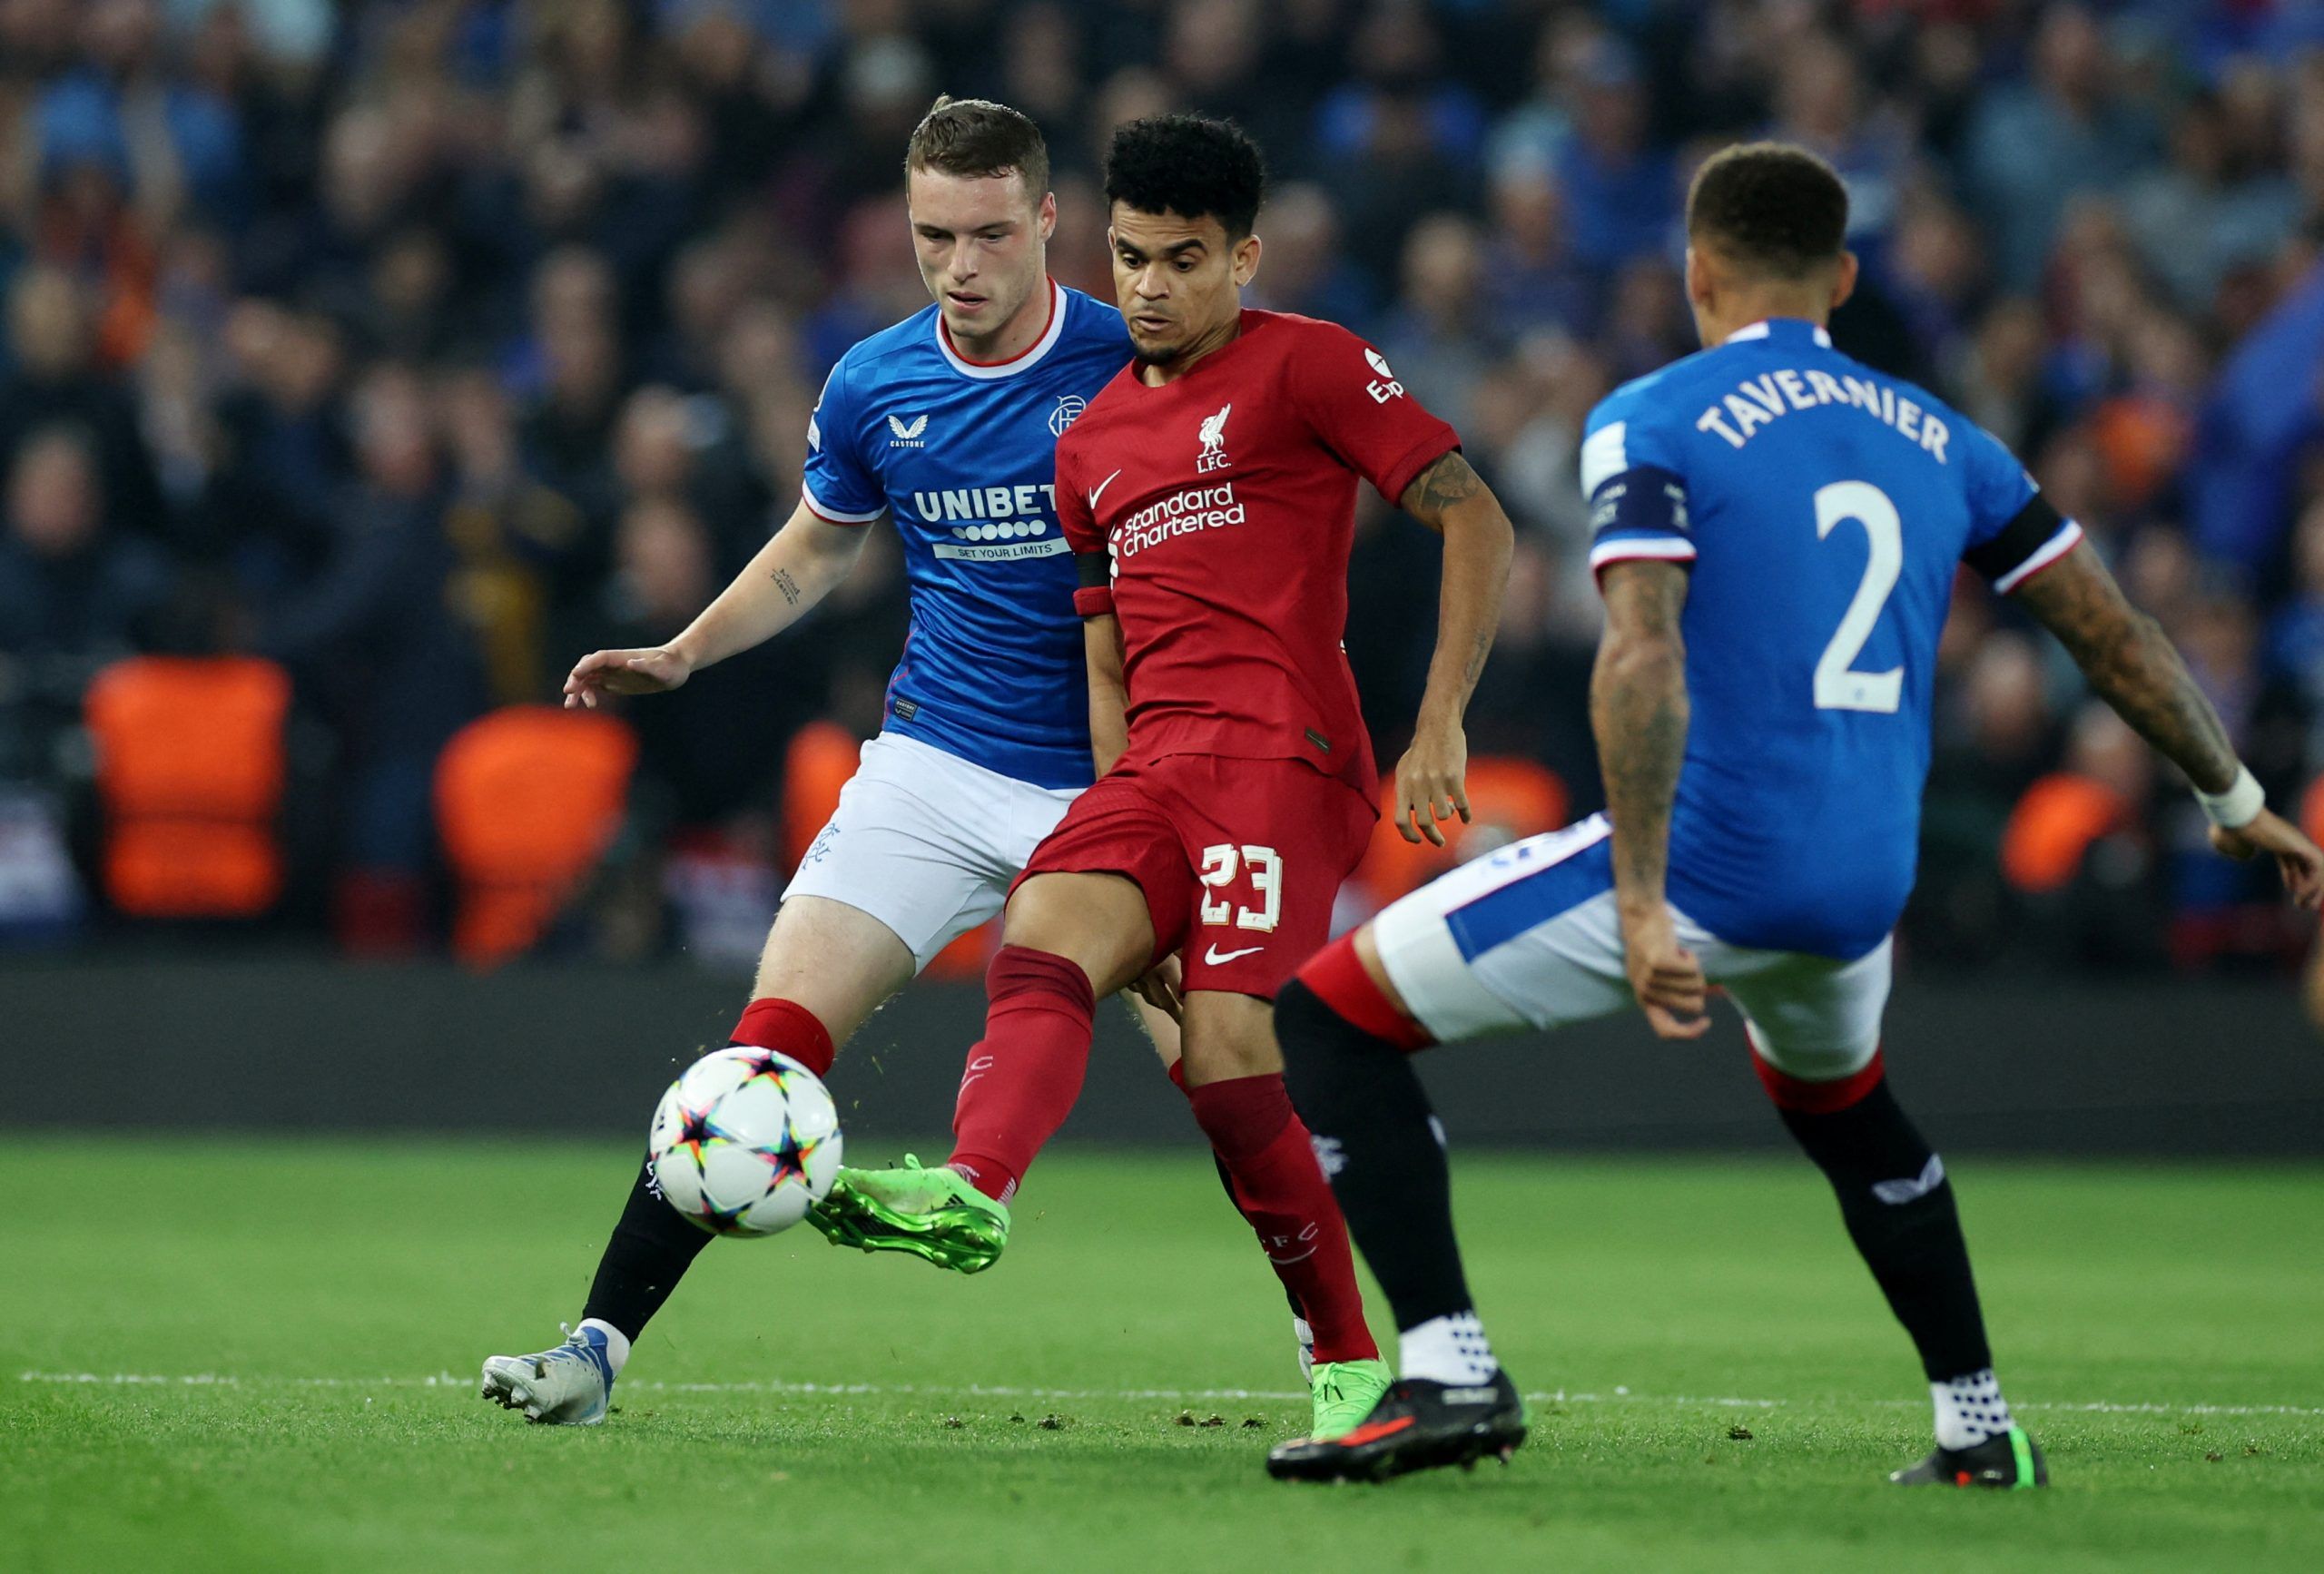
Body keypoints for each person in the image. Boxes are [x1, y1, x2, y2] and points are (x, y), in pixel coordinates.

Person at [1263, 142, 2324, 1486]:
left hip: (1713, 868)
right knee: (1850, 1109)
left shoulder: (1651, 416)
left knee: (1332, 1016)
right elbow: (2114, 635)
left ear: (1695, 272)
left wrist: (1642, 900)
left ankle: (1449, 1369)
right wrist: (2234, 795)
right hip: (1859, 886)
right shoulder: (1951, 438)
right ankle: (1977, 1426)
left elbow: (1639, 651)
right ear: (1846, 277)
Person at [479, 97, 1386, 1441]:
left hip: (1113, 777)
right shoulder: (874, 384)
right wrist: (686, 649)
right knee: (761, 1061)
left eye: (988, 234)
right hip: (933, 762)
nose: (960, 266)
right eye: (932, 236)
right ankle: (597, 1345)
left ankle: (1356, 1364)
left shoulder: (1135, 359)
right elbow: (813, 548)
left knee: (1228, 1072)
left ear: (1049, 225)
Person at [823, 116, 1516, 1442]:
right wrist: (1115, 834)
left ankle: (1351, 1366)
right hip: (1157, 768)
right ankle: (976, 1186)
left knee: (1233, 1050)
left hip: (1286, 756)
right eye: (1131, 257)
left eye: (1183, 261)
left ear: (1244, 257)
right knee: (1044, 927)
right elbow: (1107, 660)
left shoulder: (1312, 366)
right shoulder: (1089, 446)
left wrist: (1439, 724)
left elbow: (1472, 513)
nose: (1148, 287)